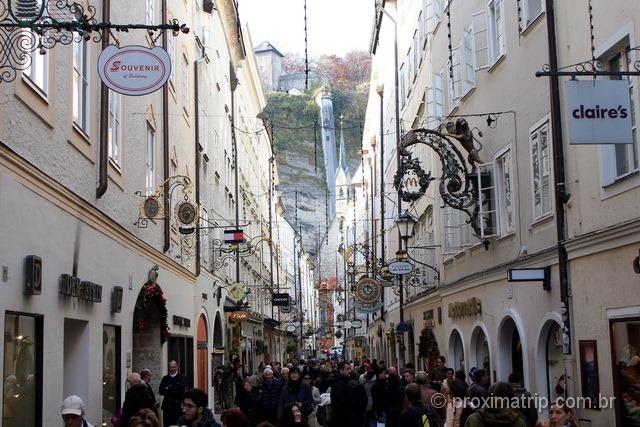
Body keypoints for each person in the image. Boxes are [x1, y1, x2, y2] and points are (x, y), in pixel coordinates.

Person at [159, 360, 186, 427]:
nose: (172, 369)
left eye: (174, 367)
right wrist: (174, 388)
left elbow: (180, 391)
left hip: (178, 407)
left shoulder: (182, 377)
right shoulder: (165, 378)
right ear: (169, 368)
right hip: (167, 407)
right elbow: (161, 391)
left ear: (177, 367)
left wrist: (168, 388)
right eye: (170, 367)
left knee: (177, 424)